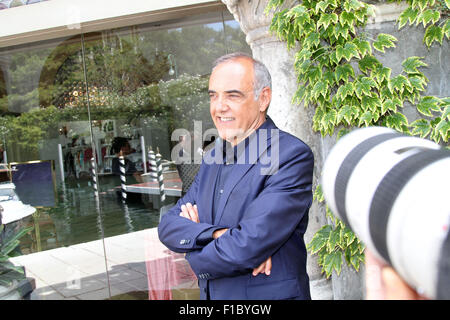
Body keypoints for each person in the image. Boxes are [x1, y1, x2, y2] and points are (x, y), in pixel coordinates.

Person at [157, 52, 314, 300]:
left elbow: (245, 247)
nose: (219, 107)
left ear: (263, 99)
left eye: (233, 95)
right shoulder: (212, 158)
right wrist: (218, 234)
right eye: (213, 96)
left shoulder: (289, 155)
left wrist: (193, 249)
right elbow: (168, 225)